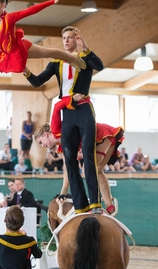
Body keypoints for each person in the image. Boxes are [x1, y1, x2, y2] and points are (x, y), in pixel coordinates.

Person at [24, 27, 104, 213]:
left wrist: (85, 48)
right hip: (67, 112)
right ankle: (81, 205)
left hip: (84, 109)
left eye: (70, 38)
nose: (67, 41)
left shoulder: (85, 57)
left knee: (88, 155)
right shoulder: (55, 63)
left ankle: (95, 203)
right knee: (69, 159)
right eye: (64, 38)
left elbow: (99, 66)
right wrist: (24, 69)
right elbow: (37, 82)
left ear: (76, 39)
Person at [35, 122, 125, 215]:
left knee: (88, 170)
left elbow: (69, 168)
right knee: (97, 171)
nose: (42, 145)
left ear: (45, 135)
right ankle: (109, 205)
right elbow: (68, 168)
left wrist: (63, 192)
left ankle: (96, 204)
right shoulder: (62, 143)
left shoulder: (63, 133)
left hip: (102, 135)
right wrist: (63, 193)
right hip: (108, 137)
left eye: (41, 142)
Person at [0, 0, 85, 74]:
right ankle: (71, 60)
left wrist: (52, 1)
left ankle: (75, 59)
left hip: (20, 48)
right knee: (47, 54)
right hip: (8, 53)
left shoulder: (9, 18)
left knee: (48, 52)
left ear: (3, 5)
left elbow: (31, 10)